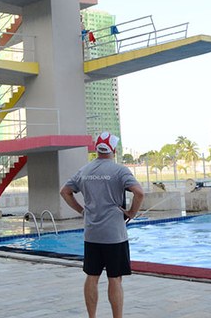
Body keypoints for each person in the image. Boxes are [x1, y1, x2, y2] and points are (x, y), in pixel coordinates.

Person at [60, 132, 144, 318]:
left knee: (92, 276)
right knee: (115, 278)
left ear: (97, 149)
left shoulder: (84, 171)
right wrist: (131, 213)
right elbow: (139, 193)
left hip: (92, 234)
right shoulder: (120, 171)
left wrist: (82, 211)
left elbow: (65, 191)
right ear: (113, 150)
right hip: (114, 235)